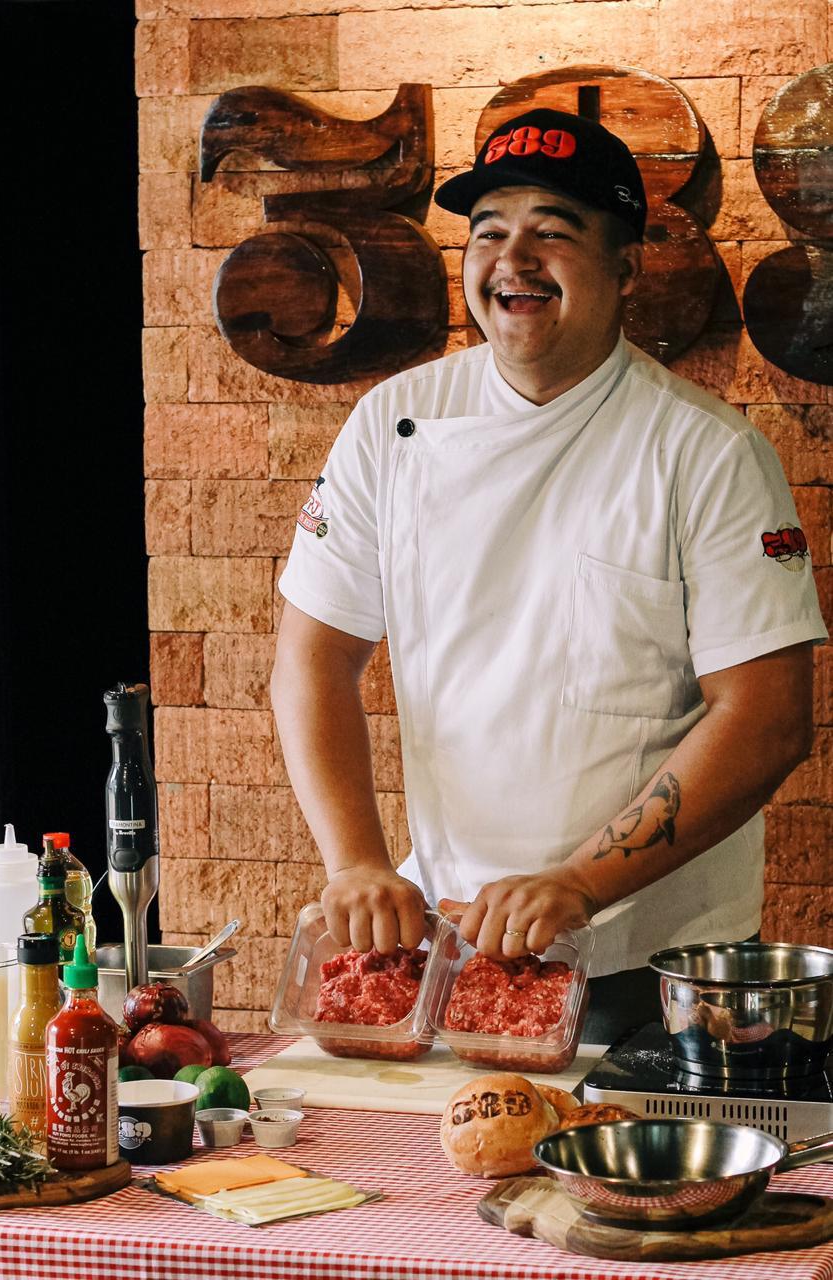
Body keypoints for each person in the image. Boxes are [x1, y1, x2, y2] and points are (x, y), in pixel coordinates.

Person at [271, 108, 828, 1041]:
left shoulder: (707, 452)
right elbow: (310, 661)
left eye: (552, 233)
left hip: (655, 962)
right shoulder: (391, 426)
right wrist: (357, 862)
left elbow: (768, 718)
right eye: (488, 232)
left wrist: (578, 883)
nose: (512, 259)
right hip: (453, 938)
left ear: (625, 269)